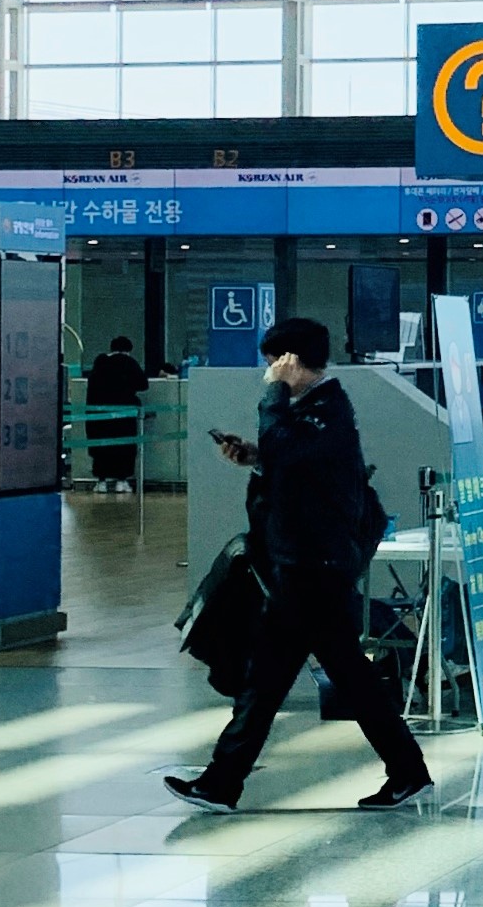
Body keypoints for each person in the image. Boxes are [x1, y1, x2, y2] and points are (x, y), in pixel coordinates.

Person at [165, 317, 432, 815]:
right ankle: (223, 782)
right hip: (303, 565)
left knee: (304, 679)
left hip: (315, 568)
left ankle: (224, 783)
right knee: (288, 679)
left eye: (273, 361)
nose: (267, 370)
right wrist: (254, 458)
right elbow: (292, 464)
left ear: (290, 361)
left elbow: (289, 447)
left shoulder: (325, 407)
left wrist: (273, 396)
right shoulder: (313, 411)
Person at [84, 334, 151, 490]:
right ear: (128, 350)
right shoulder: (129, 363)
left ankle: (101, 482)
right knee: (123, 448)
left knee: (102, 447)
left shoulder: (99, 363)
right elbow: (143, 384)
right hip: (124, 415)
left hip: (99, 415)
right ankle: (121, 481)